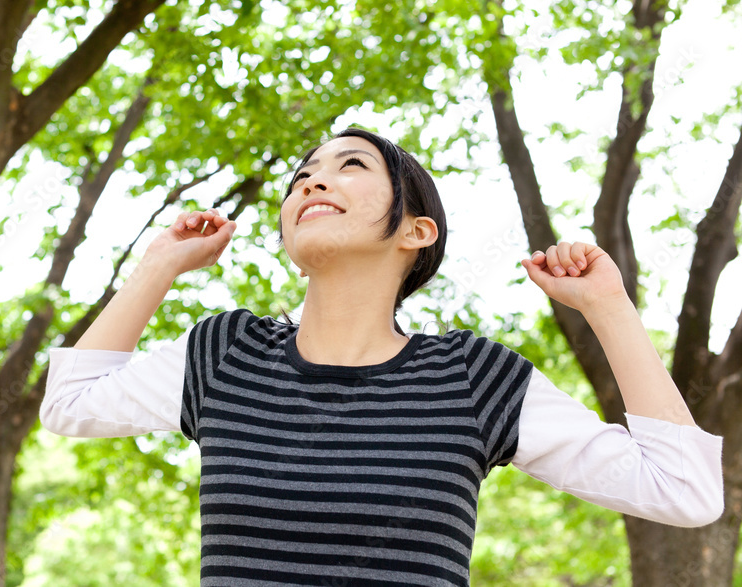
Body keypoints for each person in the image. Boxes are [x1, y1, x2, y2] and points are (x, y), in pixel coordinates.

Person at [40, 128, 724, 586]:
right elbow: (69, 404)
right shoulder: (226, 354)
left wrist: (608, 304)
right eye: (302, 175)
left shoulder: (471, 378)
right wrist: (158, 264)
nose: (311, 181)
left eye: (350, 166)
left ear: (415, 230)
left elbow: (685, 491)